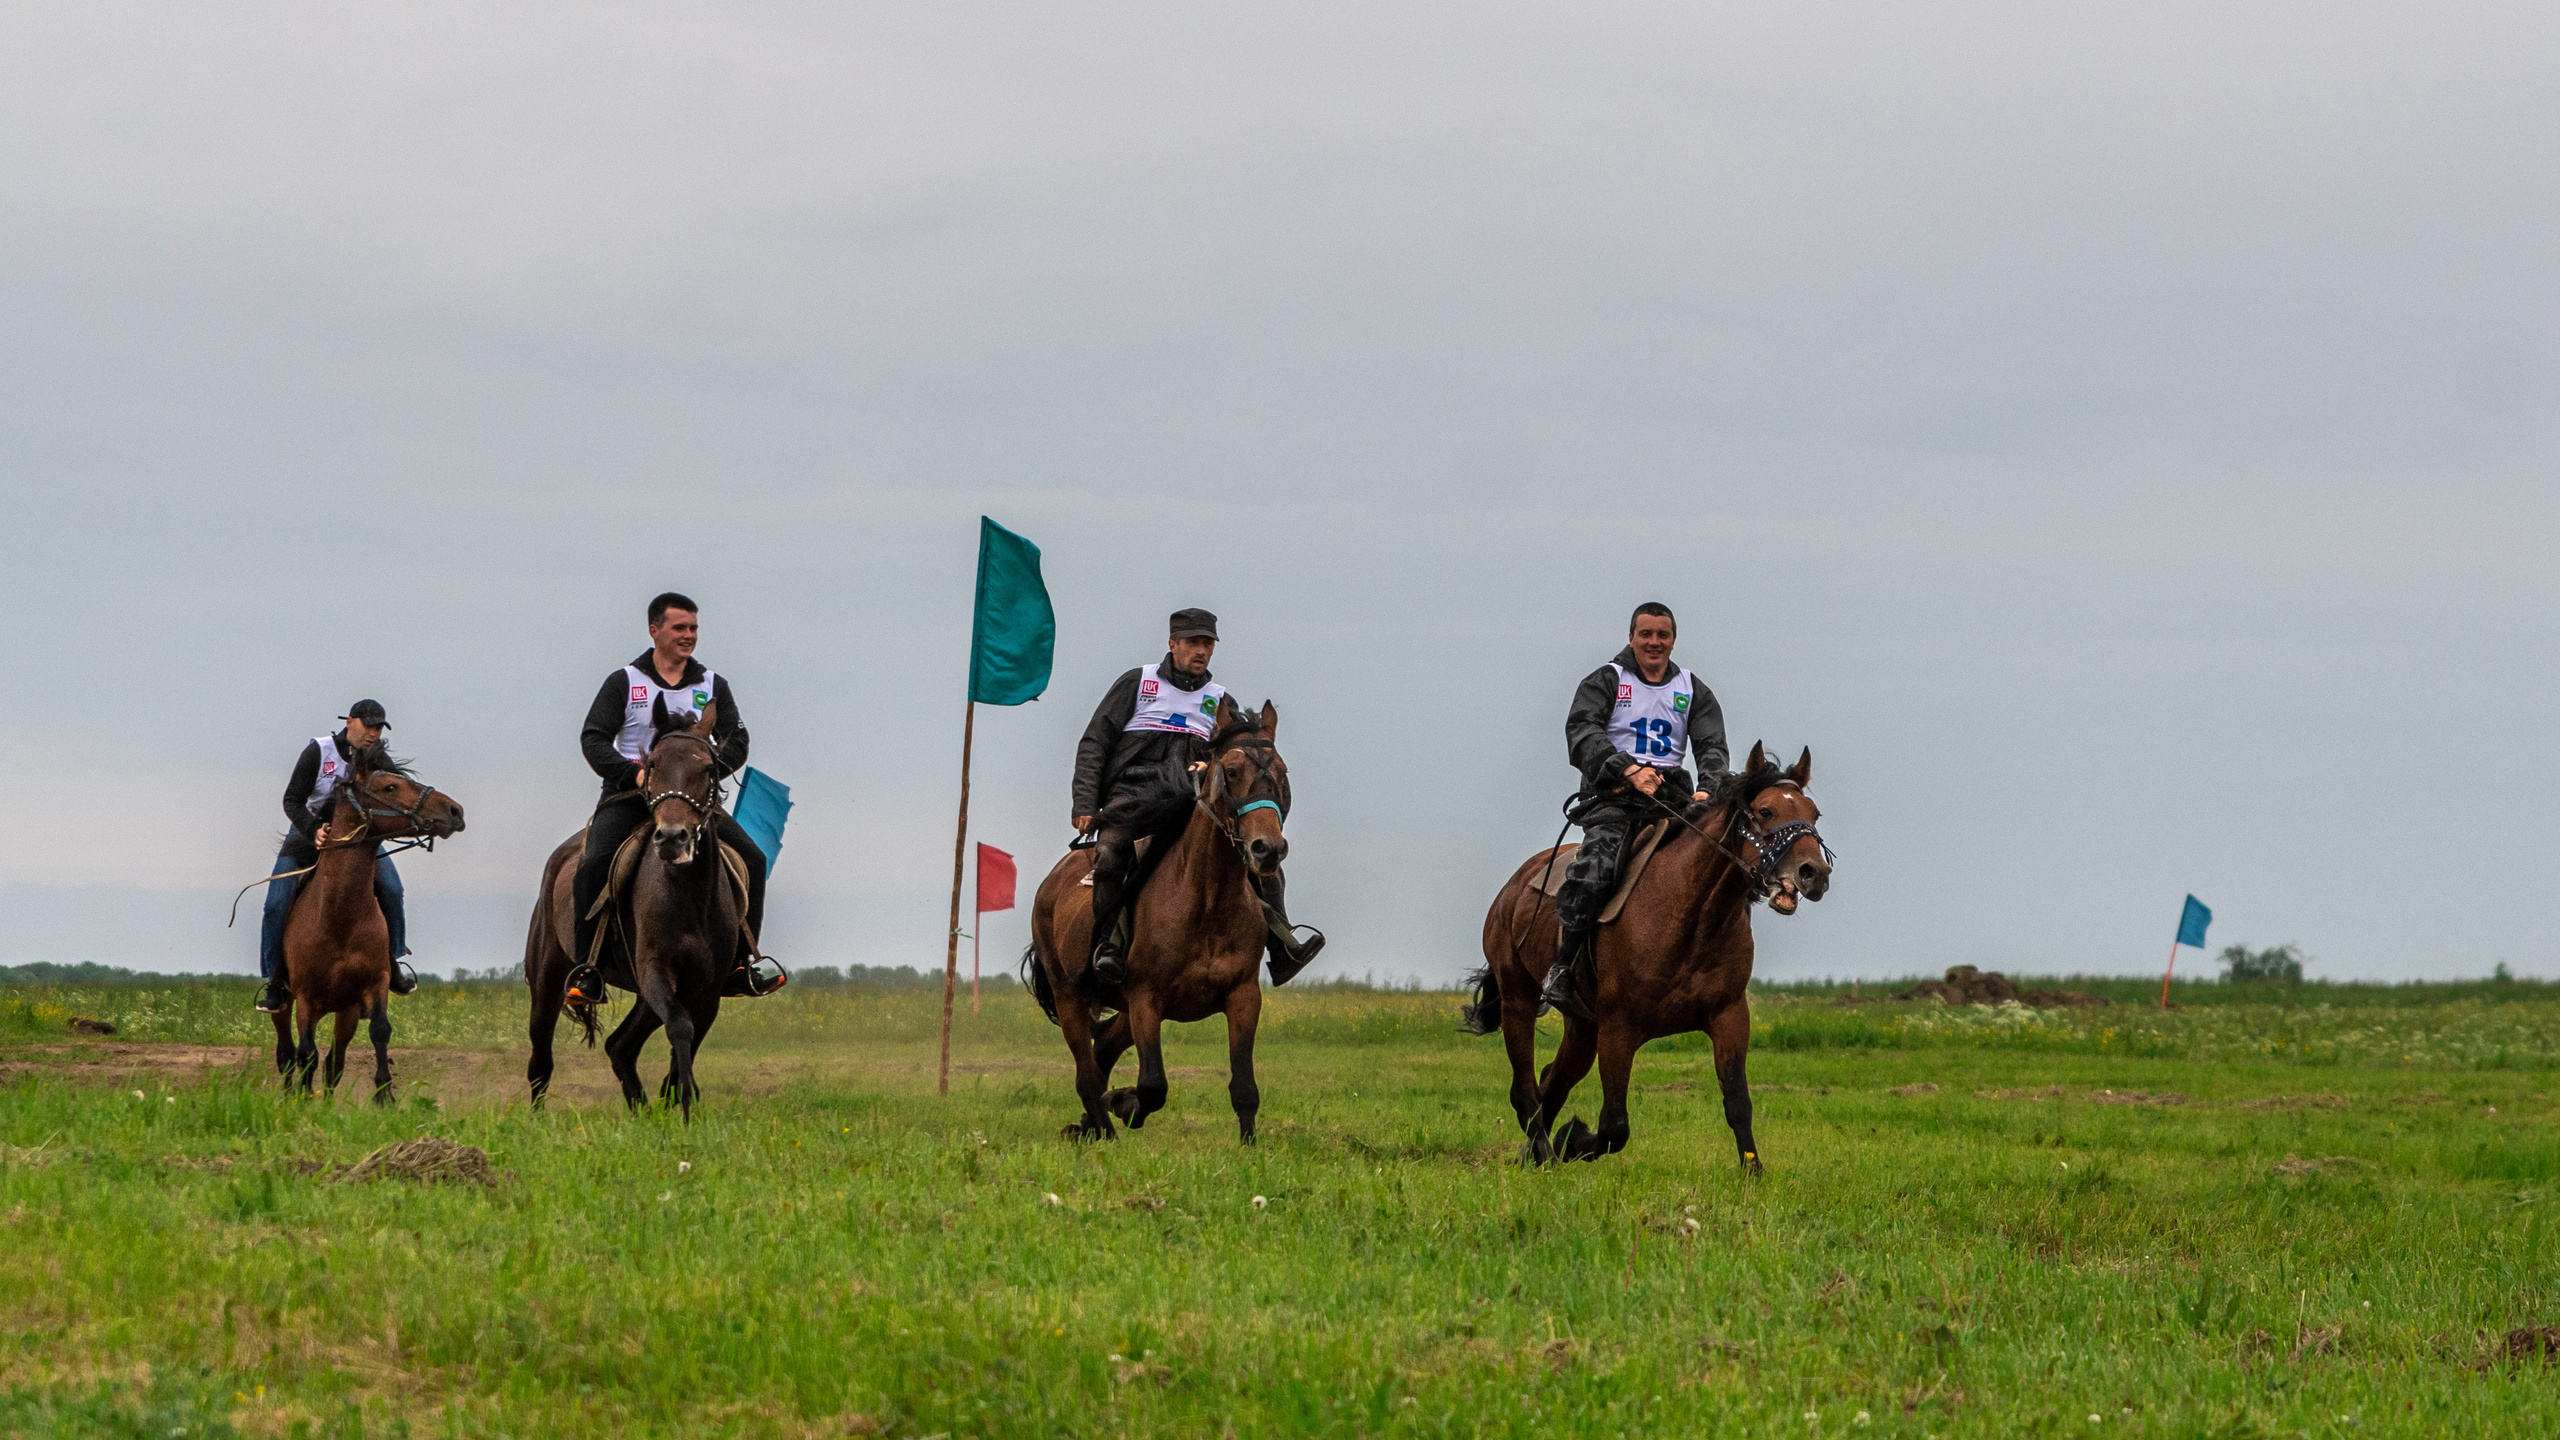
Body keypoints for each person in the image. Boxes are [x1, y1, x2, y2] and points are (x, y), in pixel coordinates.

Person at [1070, 608, 1321, 987]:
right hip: (1134, 796)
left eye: (1207, 644)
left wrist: (1208, 764)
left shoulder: (1220, 701)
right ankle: (1108, 947)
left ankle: (1281, 949)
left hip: (1192, 802)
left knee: (1264, 861)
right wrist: (1085, 803)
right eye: (1192, 643)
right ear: (1172, 644)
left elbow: (1236, 757)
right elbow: (1095, 743)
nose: (1200, 651)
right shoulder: (1138, 683)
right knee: (1109, 855)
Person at [563, 592, 780, 1011]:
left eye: (693, 628)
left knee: (752, 858)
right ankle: (587, 970)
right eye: (679, 628)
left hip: (694, 802)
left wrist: (712, 768)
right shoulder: (625, 681)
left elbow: (737, 738)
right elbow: (593, 737)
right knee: (592, 863)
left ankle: (743, 964)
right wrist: (636, 774)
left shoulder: (713, 684)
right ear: (654, 630)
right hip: (630, 796)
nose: (688, 636)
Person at [1542, 602, 1730, 1017]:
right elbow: (1583, 731)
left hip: (1673, 800)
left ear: (1673, 640)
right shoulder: (1607, 680)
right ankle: (1562, 967)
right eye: (1646, 634)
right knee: (1597, 870)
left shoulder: (1691, 688)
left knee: (1720, 862)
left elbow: (1711, 745)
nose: (1654, 642)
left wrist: (1708, 790)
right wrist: (1628, 770)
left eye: (1662, 635)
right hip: (1613, 799)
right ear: (1631, 637)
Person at [255, 700, 415, 1014]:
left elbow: (396, 795)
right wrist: (314, 828)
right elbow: (292, 801)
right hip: (306, 835)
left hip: (357, 839)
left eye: (378, 728)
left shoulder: (377, 759)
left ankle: (393, 963)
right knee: (276, 902)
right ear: (349, 721)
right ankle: (274, 980)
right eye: (367, 726)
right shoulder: (318, 751)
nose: (373, 734)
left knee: (393, 889)